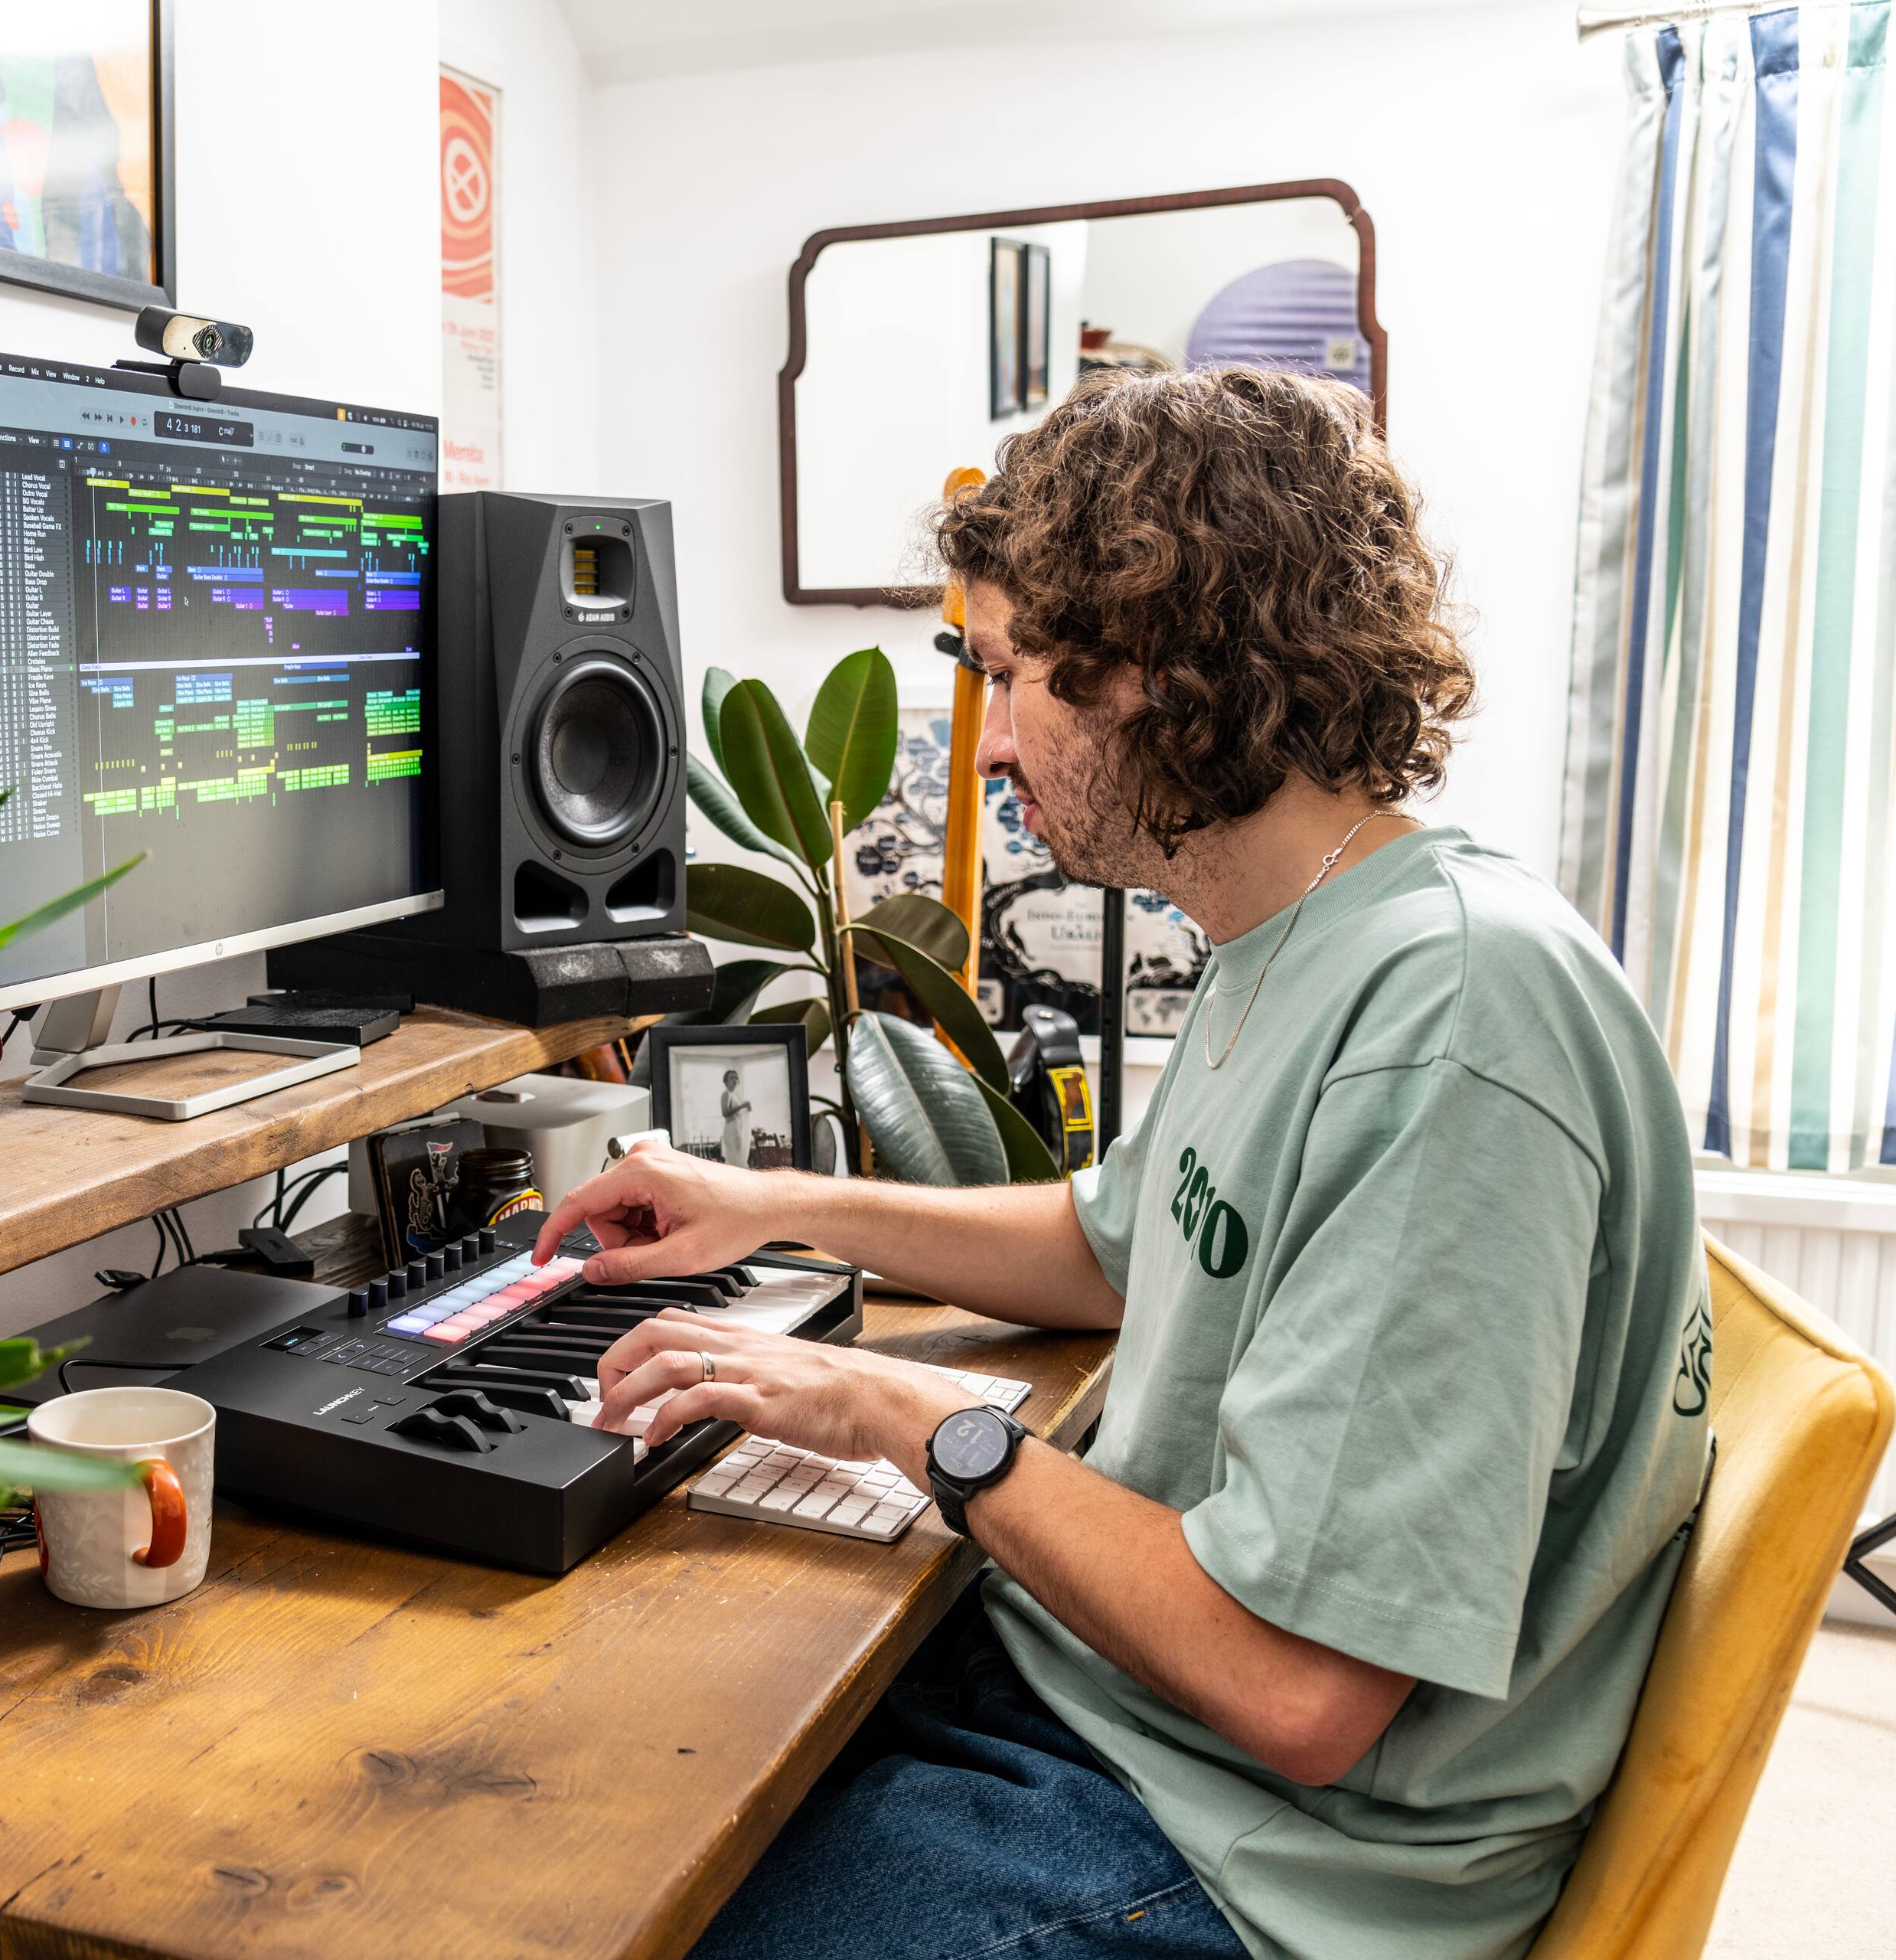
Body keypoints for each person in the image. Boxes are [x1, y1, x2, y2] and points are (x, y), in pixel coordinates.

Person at [535, 368, 1711, 1960]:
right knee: (616, 1765)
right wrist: (776, 1203)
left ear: (1169, 665)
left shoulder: (1451, 1017)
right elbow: (1115, 1246)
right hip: (1117, 1717)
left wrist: (909, 1418)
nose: (995, 741)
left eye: (1015, 676)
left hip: (1266, 1856)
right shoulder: (1294, 932)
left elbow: (1299, 1690)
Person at [719, 1066, 753, 1166]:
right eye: (731, 1078)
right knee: (734, 1157)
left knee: (738, 1156)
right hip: (731, 1130)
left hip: (736, 1129)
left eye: (736, 1078)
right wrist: (742, 1106)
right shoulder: (726, 1094)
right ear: (726, 1081)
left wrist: (745, 1110)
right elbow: (725, 1113)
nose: (734, 1080)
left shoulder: (734, 1096)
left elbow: (736, 1115)